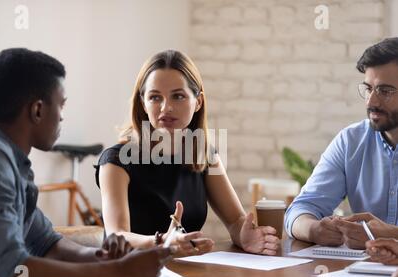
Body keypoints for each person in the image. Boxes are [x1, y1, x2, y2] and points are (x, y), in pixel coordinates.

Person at [0, 48, 172, 277]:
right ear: (38, 110)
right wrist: (119, 272)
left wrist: (104, 256)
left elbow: (45, 242)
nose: (62, 118)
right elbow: (14, 273)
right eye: (61, 105)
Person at [96, 49, 280, 256]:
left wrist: (245, 236)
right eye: (155, 97)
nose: (167, 108)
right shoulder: (116, 162)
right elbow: (117, 236)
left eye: (178, 96)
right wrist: (161, 241)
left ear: (198, 101)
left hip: (188, 273)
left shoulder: (204, 156)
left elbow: (235, 221)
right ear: (143, 103)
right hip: (133, 276)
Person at [285, 38, 398, 249]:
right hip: (363, 276)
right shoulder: (351, 141)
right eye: (368, 89)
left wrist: (392, 234)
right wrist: (314, 229)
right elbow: (301, 209)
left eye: (385, 91)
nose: (371, 102)